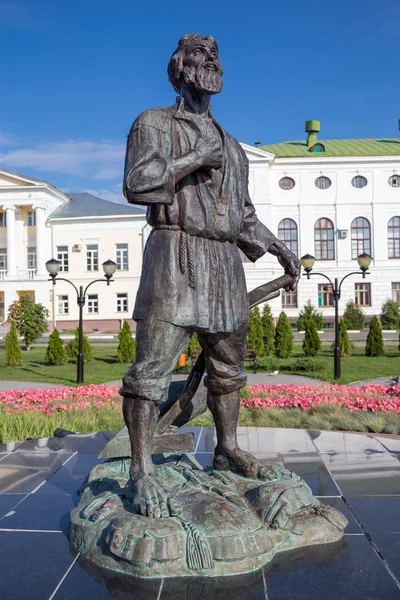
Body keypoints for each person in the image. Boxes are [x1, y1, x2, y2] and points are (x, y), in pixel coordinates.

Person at [121, 34, 300, 519]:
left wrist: (282, 250)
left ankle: (227, 448)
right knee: (150, 374)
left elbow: (242, 216)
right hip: (174, 255)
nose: (212, 62)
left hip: (224, 265)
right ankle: (141, 470)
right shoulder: (154, 123)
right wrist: (194, 159)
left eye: (216, 56)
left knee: (228, 369)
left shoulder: (234, 147)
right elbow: (137, 183)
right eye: (201, 56)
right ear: (180, 68)